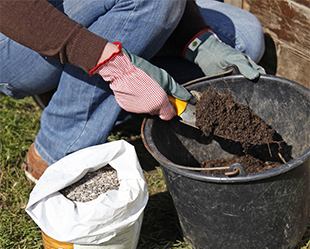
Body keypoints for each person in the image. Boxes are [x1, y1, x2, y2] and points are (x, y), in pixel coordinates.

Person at [0, 0, 265, 183]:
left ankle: (76, 88)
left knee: (243, 38)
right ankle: (57, 147)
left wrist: (197, 40)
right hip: (16, 28)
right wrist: (112, 65)